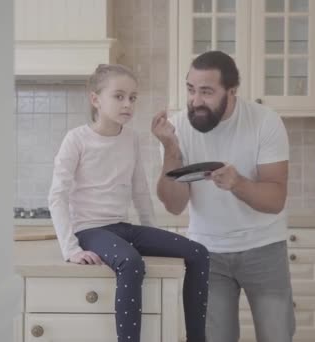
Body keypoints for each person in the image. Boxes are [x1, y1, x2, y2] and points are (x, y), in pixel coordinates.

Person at [48, 64, 209, 342]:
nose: (128, 104)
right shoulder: (76, 139)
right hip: (89, 230)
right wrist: (70, 249)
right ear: (96, 99)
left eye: (133, 97)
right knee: (131, 262)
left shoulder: (131, 138)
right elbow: (57, 196)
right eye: (119, 96)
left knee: (199, 252)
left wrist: (153, 234)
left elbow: (140, 191)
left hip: (123, 227)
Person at [151, 51, 295, 342]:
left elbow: (275, 198)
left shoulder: (265, 122)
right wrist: (170, 149)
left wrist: (238, 183)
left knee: (276, 336)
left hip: (264, 249)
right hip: (207, 253)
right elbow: (175, 204)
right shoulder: (177, 129)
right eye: (191, 90)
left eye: (206, 92)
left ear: (231, 91)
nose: (195, 101)